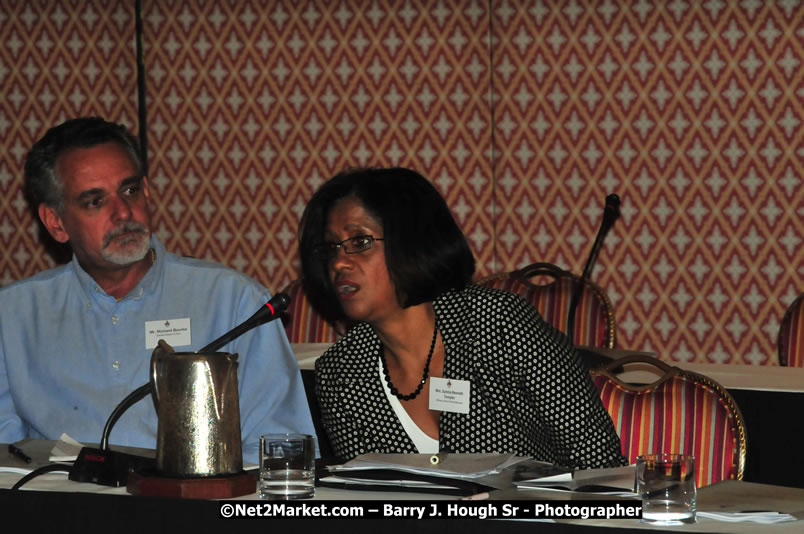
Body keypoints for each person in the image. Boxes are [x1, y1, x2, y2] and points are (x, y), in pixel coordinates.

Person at [0, 116, 316, 464]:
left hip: (194, 511)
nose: (122, 212)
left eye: (130, 190)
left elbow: (282, 449)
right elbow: (6, 458)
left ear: (147, 192)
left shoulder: (234, 303)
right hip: (58, 511)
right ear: (56, 223)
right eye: (94, 201)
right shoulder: (12, 316)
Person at [301, 167, 626, 469]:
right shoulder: (341, 375)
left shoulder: (498, 325)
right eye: (330, 248)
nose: (339, 262)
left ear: (411, 241)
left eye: (359, 241)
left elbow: (597, 462)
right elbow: (370, 501)